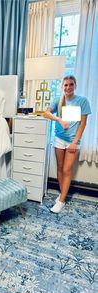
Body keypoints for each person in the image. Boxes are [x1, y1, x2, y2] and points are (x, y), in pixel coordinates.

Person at [44, 75, 91, 213]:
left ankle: (61, 201)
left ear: (75, 85)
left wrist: (74, 142)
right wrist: (59, 119)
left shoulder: (82, 101)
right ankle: (62, 195)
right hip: (59, 139)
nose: (68, 87)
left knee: (66, 170)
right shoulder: (58, 100)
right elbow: (46, 113)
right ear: (62, 87)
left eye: (71, 84)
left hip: (72, 142)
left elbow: (83, 123)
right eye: (65, 85)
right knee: (59, 167)